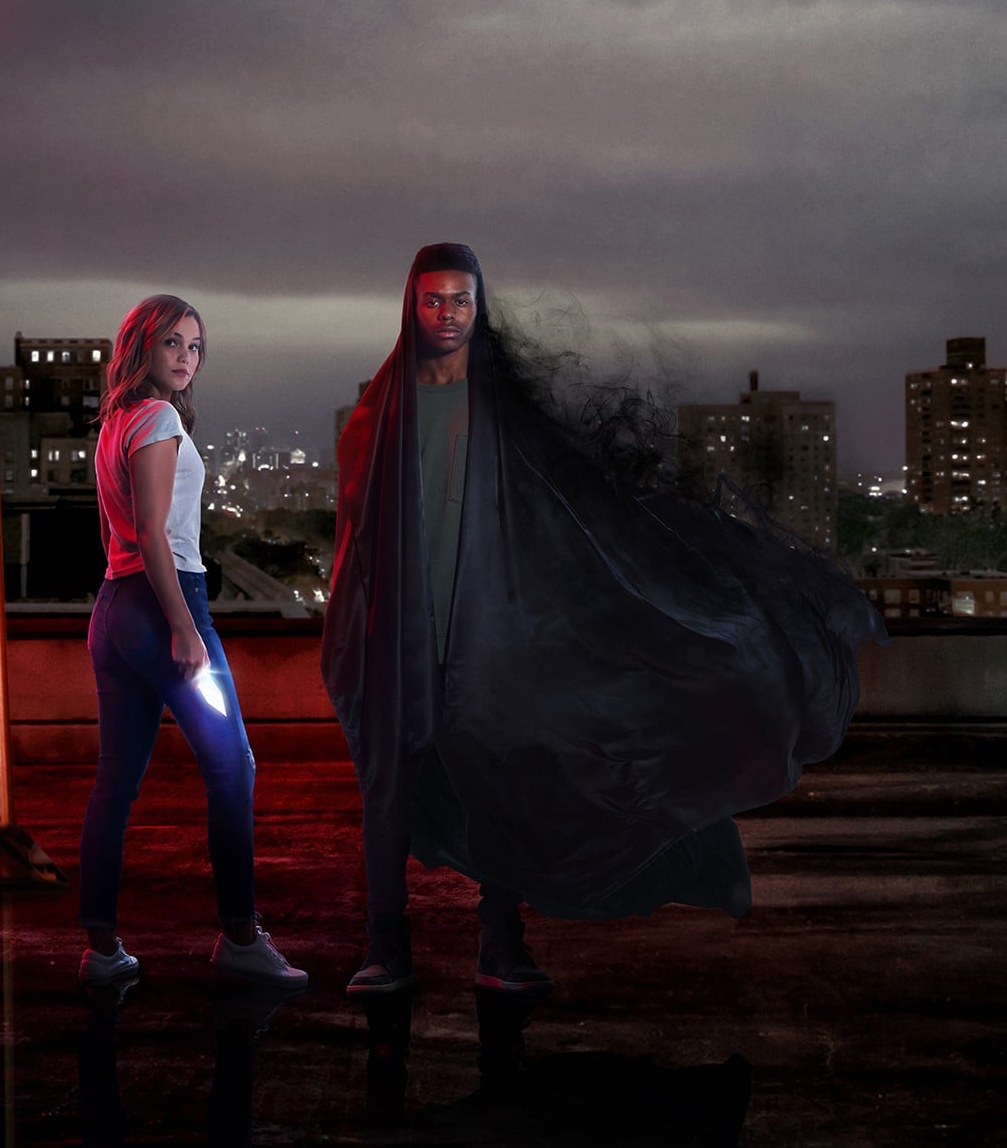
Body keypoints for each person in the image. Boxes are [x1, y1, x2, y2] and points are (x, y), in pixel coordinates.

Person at [322, 243, 883, 996]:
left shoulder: (504, 416)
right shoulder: (377, 416)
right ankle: (384, 950)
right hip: (402, 635)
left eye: (461, 299)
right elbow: (357, 544)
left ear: (478, 307)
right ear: (410, 306)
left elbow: (575, 517)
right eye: (433, 299)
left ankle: (501, 944)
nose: (448, 313)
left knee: (505, 786)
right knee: (391, 789)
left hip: (498, 635)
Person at [79, 294, 306, 990]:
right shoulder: (158, 417)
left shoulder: (115, 420)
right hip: (164, 606)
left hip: (115, 609)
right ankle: (240, 936)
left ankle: (101, 951)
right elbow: (153, 533)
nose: (185, 358)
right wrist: (183, 628)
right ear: (141, 347)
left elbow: (118, 535)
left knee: (116, 783)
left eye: (195, 346)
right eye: (172, 343)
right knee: (233, 769)